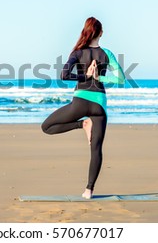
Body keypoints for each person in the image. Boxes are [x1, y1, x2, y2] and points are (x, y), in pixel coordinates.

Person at [41, 16, 125, 199]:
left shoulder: (78, 52)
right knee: (96, 149)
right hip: (99, 106)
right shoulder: (107, 54)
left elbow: (64, 75)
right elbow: (121, 79)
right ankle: (89, 190)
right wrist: (99, 78)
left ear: (85, 31)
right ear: (101, 33)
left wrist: (85, 77)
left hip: (79, 102)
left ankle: (82, 125)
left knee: (46, 127)